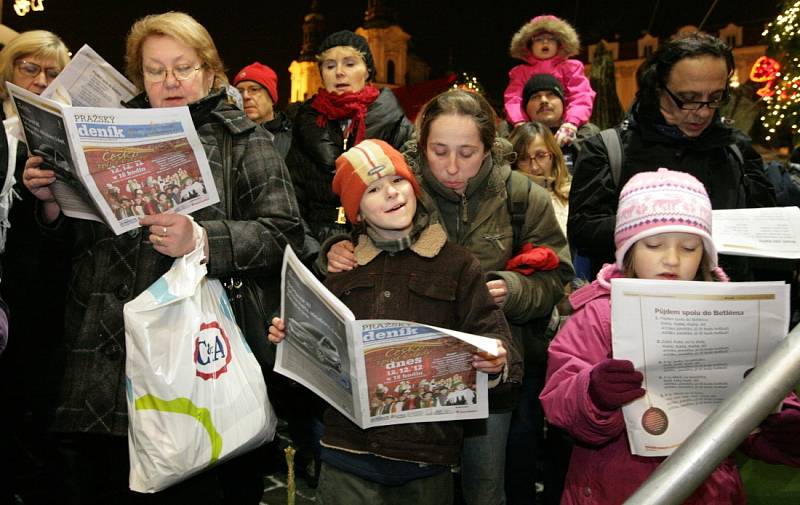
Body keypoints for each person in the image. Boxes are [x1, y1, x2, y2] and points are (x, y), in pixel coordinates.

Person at [22, 11, 304, 503]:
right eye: (155, 70)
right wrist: (49, 205)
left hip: (194, 374)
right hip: (97, 373)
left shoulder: (246, 141)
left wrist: (203, 239)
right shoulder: (102, 136)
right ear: (140, 77)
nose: (170, 81)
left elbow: (285, 236)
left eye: (184, 67)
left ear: (210, 72)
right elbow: (61, 255)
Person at [327, 89, 572, 505]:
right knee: (421, 479)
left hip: (487, 367)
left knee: (485, 485)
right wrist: (334, 248)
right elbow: (360, 231)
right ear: (421, 148)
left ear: (489, 148)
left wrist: (514, 290)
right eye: (439, 152)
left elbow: (558, 278)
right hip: (412, 373)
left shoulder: (521, 195)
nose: (452, 167)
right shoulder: (401, 186)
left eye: (467, 152)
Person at [268, 138, 512, 505]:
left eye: (397, 182)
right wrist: (291, 344)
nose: (391, 194)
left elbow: (492, 335)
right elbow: (308, 378)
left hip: (424, 459)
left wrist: (495, 363)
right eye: (373, 190)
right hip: (346, 454)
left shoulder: (458, 265)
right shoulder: (341, 272)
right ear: (357, 213)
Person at [540, 168, 800, 504]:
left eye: (690, 247)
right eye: (654, 244)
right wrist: (595, 393)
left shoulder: (732, 314)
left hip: (708, 488)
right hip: (615, 490)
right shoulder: (598, 315)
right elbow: (560, 400)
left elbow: (759, 401)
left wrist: (781, 424)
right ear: (628, 249)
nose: (673, 259)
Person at [568, 32, 776, 281]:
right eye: (688, 99)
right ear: (657, 88)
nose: (703, 112)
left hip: (723, 304)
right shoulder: (608, 149)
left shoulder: (736, 149)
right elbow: (582, 230)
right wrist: (657, 222)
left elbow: (766, 232)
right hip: (635, 305)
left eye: (715, 98)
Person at [0, 30, 71, 505]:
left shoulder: (72, 129)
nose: (41, 80)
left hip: (58, 292)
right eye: (30, 68)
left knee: (44, 414)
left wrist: (48, 204)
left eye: (52, 72)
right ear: (9, 73)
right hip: (10, 294)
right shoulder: (4, 135)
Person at [286, 30, 414, 245]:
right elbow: (291, 203)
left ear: (367, 71)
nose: (339, 73)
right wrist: (323, 250)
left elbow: (412, 195)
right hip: (322, 243)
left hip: (382, 240)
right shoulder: (304, 124)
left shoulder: (394, 123)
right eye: (329, 66)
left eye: (350, 64)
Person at [504, 15, 595, 146]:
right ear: (529, 44)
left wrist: (571, 123)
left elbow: (581, 95)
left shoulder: (571, 67)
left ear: (560, 43)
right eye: (538, 39)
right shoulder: (520, 72)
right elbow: (513, 99)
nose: (545, 42)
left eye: (551, 39)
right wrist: (520, 122)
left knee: (589, 132)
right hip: (530, 128)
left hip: (567, 126)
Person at [520, 73, 600, 174]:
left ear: (563, 103)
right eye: (535, 97)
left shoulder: (588, 135)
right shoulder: (517, 140)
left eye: (551, 94)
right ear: (525, 108)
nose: (544, 100)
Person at [509, 121, 570, 234]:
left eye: (541, 156)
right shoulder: (507, 198)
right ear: (514, 162)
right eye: (523, 158)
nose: (534, 167)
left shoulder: (574, 192)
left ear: (554, 155)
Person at [233, 61, 292, 159]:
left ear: (272, 98)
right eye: (239, 91)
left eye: (254, 89)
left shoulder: (294, 140)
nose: (245, 96)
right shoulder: (229, 139)